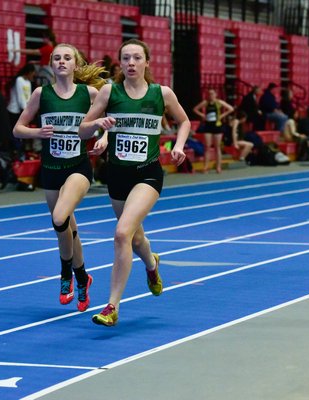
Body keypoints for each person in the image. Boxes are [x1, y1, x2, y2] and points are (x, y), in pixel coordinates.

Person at [79, 39, 190, 326]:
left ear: (146, 62)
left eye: (136, 58)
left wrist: (178, 146)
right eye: (125, 58)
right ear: (120, 64)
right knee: (135, 238)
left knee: (121, 234)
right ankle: (152, 264)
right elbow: (81, 131)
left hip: (147, 174)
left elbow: (185, 121)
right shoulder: (108, 92)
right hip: (117, 175)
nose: (130, 63)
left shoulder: (161, 93)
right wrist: (97, 127)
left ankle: (112, 306)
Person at [14, 43, 106, 312]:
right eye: (57, 58)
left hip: (78, 168)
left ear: (76, 64)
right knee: (66, 231)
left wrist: (105, 139)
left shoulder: (88, 93)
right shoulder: (41, 94)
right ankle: (82, 277)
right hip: (51, 170)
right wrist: (36, 133)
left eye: (67, 58)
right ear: (52, 64)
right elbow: (18, 129)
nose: (62, 62)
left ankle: (65, 273)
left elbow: (113, 119)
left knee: (59, 217)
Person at [193, 89, 233, 173]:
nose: (210, 95)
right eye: (209, 94)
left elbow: (231, 109)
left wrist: (222, 116)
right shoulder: (205, 102)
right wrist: (202, 115)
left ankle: (218, 167)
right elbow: (195, 109)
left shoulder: (219, 102)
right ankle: (206, 167)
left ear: (216, 94)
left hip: (217, 126)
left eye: (212, 94)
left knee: (217, 147)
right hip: (208, 126)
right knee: (207, 147)